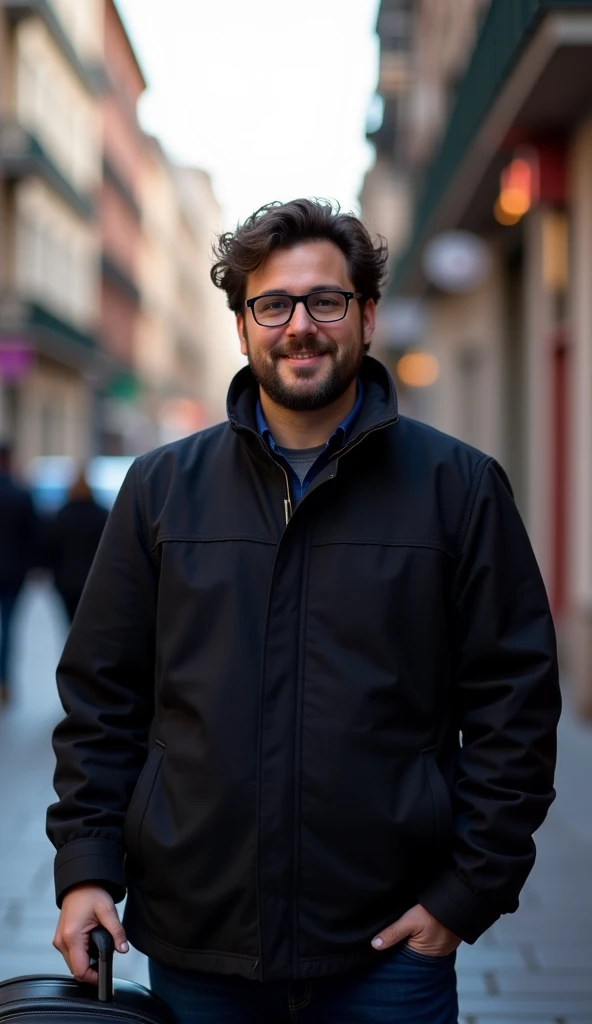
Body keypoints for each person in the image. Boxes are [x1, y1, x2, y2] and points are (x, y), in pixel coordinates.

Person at [47, 199, 561, 1024]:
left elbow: (517, 704)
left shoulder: (458, 488)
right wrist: (86, 870)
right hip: (196, 944)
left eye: (326, 301)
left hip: (389, 950)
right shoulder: (160, 488)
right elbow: (102, 699)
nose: (301, 326)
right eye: (273, 304)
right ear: (242, 327)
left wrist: (467, 893)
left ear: (366, 315)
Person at [0, 442, 37, 706]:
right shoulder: (20, 494)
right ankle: (4, 682)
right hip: (13, 572)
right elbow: (33, 535)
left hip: (13, 571)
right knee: (9, 628)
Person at [50, 467, 109, 623]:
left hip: (66, 578)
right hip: (94, 577)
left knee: (71, 623)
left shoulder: (62, 515)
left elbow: (52, 548)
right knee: (90, 622)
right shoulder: (101, 514)